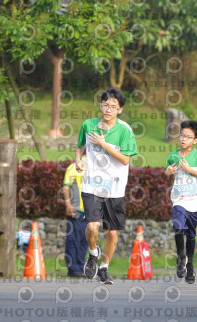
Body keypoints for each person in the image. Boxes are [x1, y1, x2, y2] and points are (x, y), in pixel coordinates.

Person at [75, 87, 137, 284]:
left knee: (112, 232)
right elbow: (80, 145)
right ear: (100, 105)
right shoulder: (88, 125)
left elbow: (125, 160)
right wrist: (78, 159)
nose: (108, 109)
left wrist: (104, 144)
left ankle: (104, 268)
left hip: (114, 188)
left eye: (113, 106)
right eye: (105, 105)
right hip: (92, 185)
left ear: (120, 109)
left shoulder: (125, 130)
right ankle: (93, 253)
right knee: (92, 226)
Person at [164, 120, 197, 284]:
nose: (183, 139)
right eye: (182, 135)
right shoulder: (173, 156)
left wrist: (189, 170)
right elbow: (167, 171)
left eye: (188, 137)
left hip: (195, 201)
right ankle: (181, 258)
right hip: (179, 199)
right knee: (178, 225)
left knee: (191, 235)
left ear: (195, 140)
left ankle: (190, 265)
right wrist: (168, 172)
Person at [61, 156, 88, 278]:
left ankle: (81, 267)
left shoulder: (93, 169)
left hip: (89, 211)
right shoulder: (73, 168)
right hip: (76, 210)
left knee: (84, 240)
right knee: (74, 239)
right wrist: (68, 204)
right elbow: (66, 187)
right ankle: (73, 268)